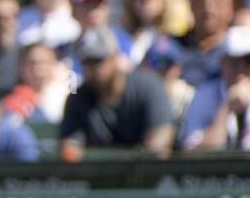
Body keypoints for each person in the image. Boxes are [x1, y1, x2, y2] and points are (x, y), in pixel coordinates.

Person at [58, 26, 175, 160]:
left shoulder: (148, 86)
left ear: (115, 58)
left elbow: (159, 144)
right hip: (99, 178)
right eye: (87, 62)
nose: (93, 68)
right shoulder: (78, 98)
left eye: (98, 60)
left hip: (146, 176)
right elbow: (69, 149)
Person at [178, 25, 250, 152]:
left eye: (249, 60)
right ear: (222, 62)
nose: (241, 69)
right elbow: (194, 154)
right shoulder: (203, 96)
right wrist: (226, 109)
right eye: (235, 61)